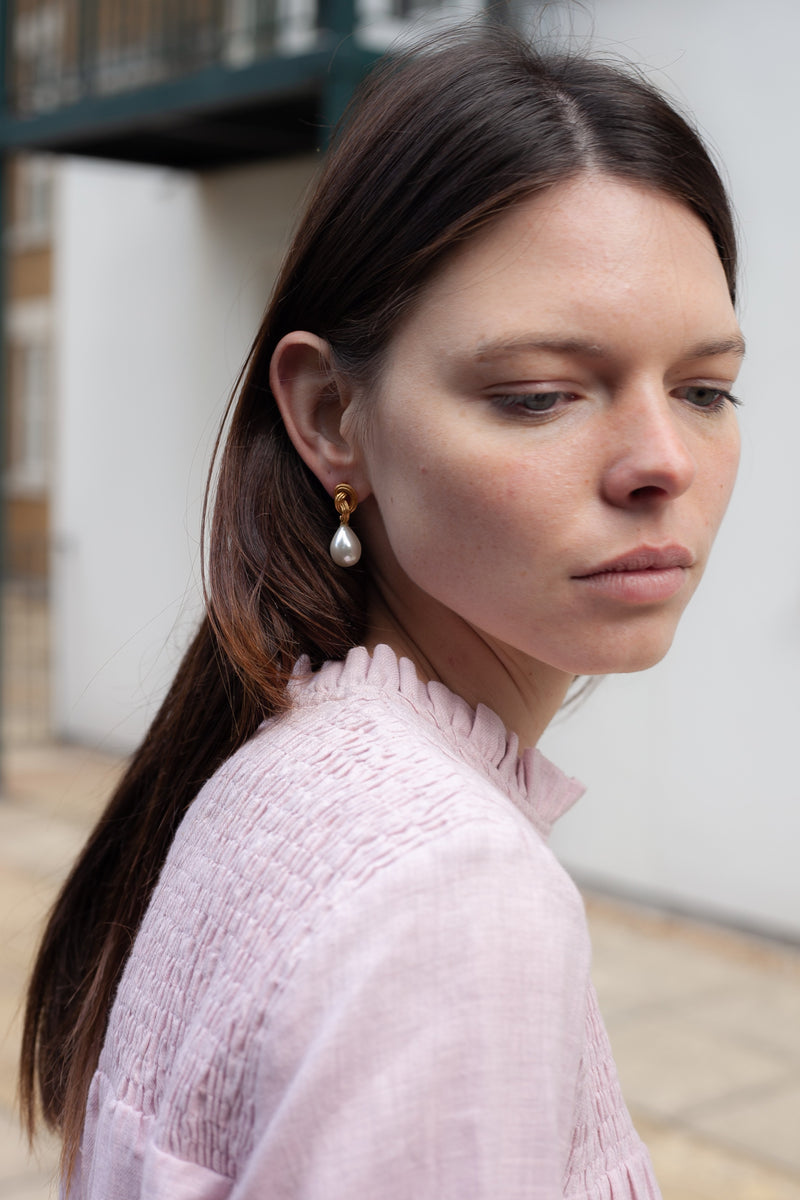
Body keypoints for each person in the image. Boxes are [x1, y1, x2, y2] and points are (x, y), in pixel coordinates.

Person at [21, 25, 744, 1199]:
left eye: (704, 388)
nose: (660, 461)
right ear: (329, 416)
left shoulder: (286, 767)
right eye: (539, 395)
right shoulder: (449, 891)